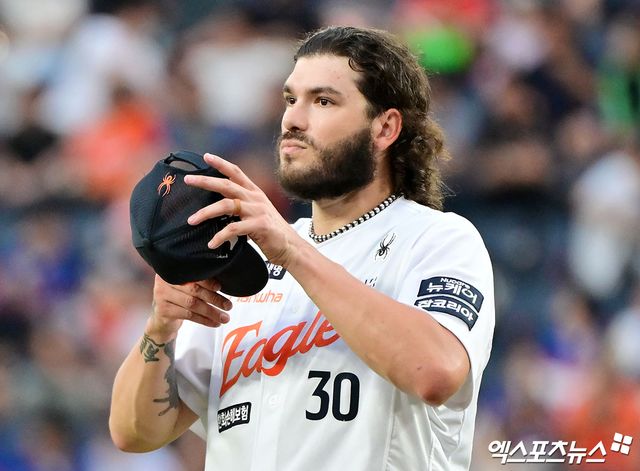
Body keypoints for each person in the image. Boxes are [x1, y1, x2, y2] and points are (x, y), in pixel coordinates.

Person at [109, 25, 495, 470]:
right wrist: (159, 329)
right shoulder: (246, 262)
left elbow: (435, 373)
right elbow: (133, 433)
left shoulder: (436, 238)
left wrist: (292, 251)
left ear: (385, 127)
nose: (292, 119)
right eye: (291, 99)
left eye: (323, 101)